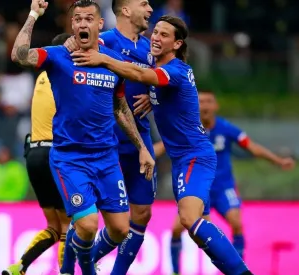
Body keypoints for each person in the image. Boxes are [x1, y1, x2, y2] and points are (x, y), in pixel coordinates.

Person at [72, 15, 252, 275]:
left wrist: (105, 59)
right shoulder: (162, 76)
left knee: (190, 220)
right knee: (200, 228)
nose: (155, 37)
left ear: (177, 44)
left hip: (195, 157)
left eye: (164, 35)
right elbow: (154, 84)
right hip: (182, 160)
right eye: (155, 32)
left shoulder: (176, 70)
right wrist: (151, 97)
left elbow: (141, 74)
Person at [11, 1, 155, 275]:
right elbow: (19, 55)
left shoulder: (111, 62)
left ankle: (70, 268)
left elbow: (120, 107)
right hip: (70, 158)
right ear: (72, 26)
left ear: (99, 25)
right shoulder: (58, 57)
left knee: (120, 229)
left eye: (89, 18)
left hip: (106, 158)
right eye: (77, 19)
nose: (82, 23)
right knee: (88, 225)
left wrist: (141, 148)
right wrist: (33, 15)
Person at [154, 90, 295, 274]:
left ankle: (238, 268)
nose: (204, 105)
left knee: (236, 223)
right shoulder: (187, 129)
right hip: (196, 188)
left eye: (208, 101)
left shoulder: (226, 129)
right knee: (175, 230)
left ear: (215, 106)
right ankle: (175, 271)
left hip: (223, 188)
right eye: (201, 101)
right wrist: (139, 155)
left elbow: (252, 147)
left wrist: (278, 161)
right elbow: (162, 147)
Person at [63, 0, 156, 273]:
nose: (150, 8)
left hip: (139, 137)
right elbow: (67, 63)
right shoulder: (100, 40)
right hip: (104, 142)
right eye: (144, 3)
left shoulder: (151, 48)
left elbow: (168, 79)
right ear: (125, 10)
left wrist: (154, 95)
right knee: (91, 220)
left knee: (141, 214)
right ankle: (69, 267)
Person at [2, 33, 73, 275]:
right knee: (69, 225)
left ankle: (18, 267)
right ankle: (66, 272)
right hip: (54, 155)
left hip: (33, 155)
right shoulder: (65, 77)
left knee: (52, 226)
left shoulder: (41, 77)